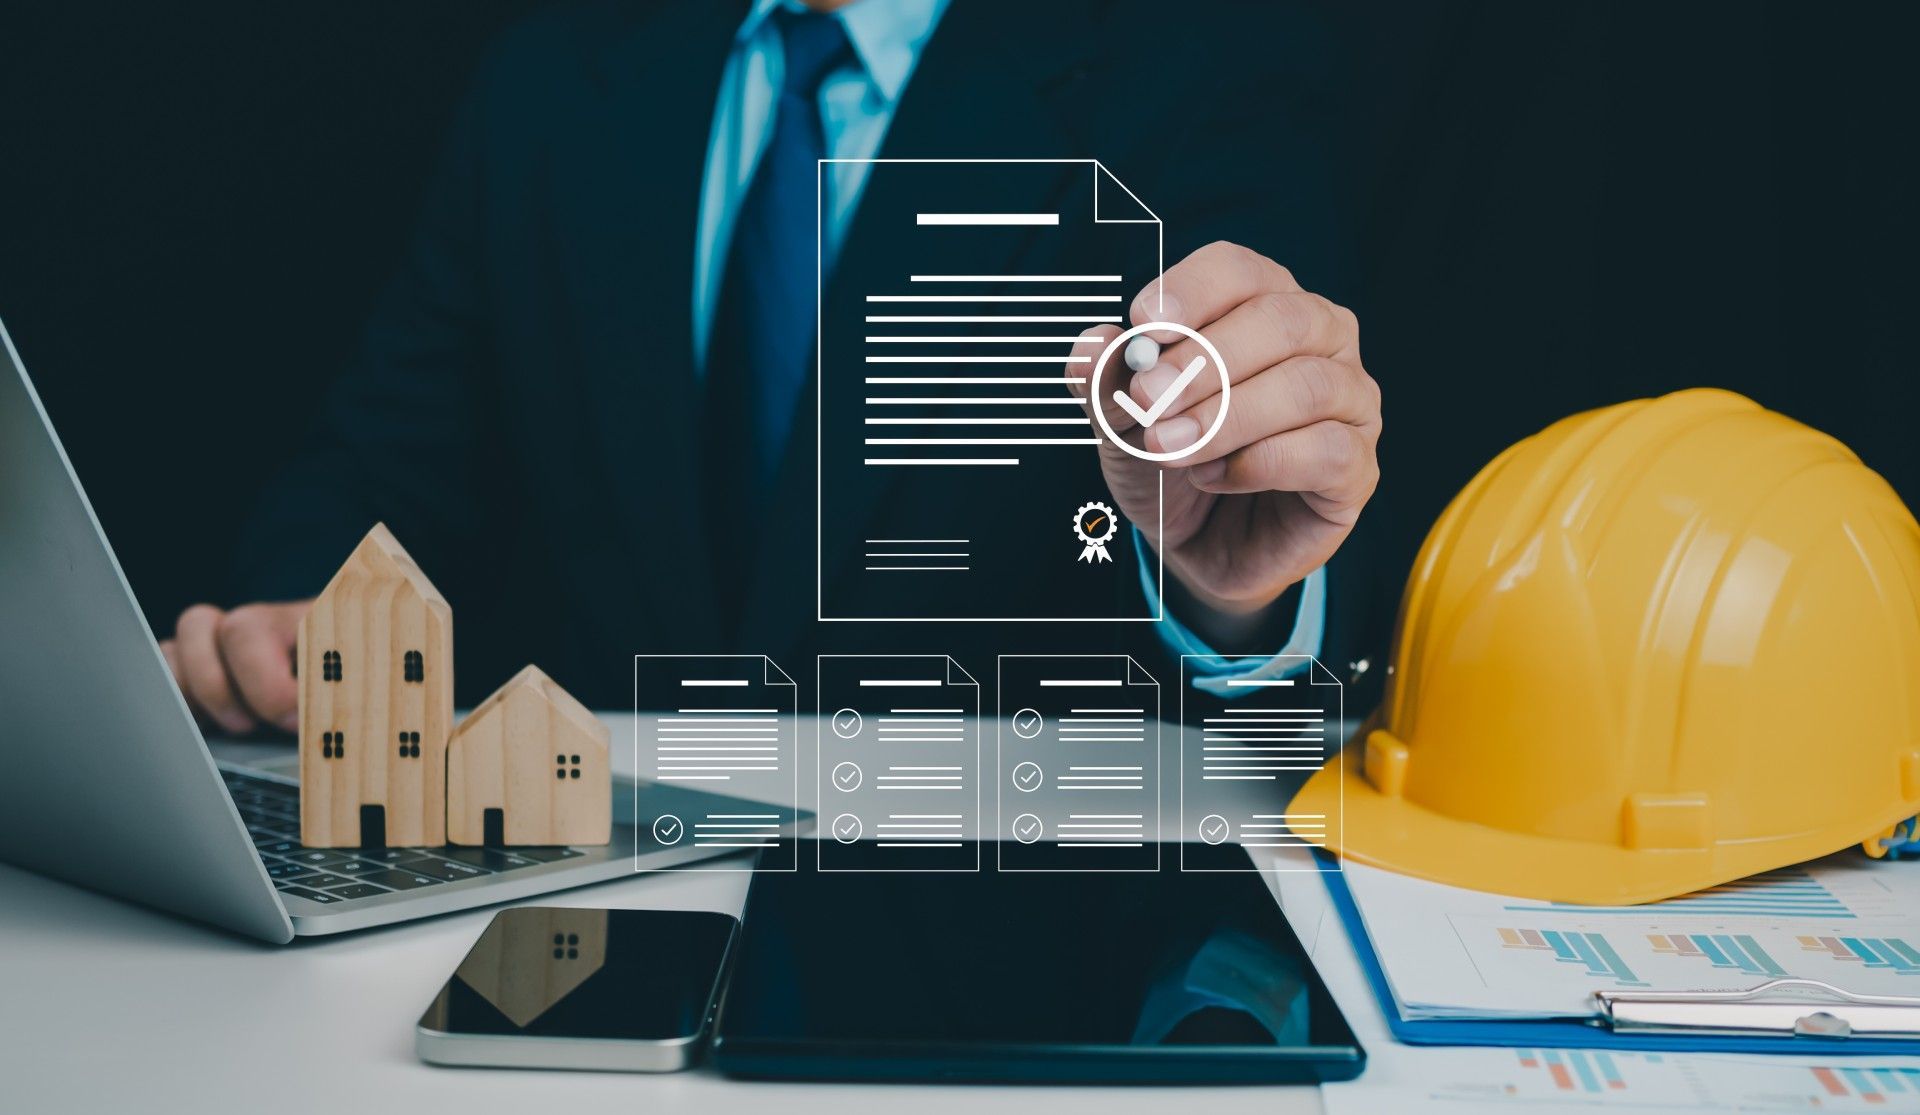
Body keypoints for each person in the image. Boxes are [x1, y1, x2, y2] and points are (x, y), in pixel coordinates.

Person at [159, 0, 1382, 730]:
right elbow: (380, 479)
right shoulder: (554, 78)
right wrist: (303, 637)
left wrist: (1235, 601)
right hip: (595, 898)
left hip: (1008, 946)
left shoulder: (1203, 67)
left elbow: (1266, 501)